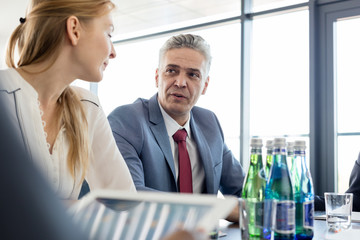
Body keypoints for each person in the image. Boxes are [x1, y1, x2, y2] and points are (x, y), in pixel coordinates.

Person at [0, 0, 136, 200]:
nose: (113, 52)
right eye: (108, 34)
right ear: (74, 30)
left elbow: (123, 202)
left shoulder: (88, 107)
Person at [108, 34, 245, 221]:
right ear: (157, 77)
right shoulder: (127, 120)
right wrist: (217, 208)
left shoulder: (209, 122)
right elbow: (131, 196)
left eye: (193, 75)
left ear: (204, 85)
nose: (180, 82)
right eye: (171, 71)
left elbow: (244, 190)